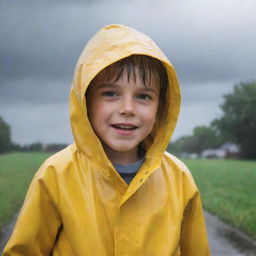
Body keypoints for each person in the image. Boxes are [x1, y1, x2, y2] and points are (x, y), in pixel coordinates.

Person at [3, 24, 210, 255]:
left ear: (160, 108)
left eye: (143, 96)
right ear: (85, 101)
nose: (128, 108)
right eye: (111, 93)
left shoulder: (179, 179)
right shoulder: (56, 175)